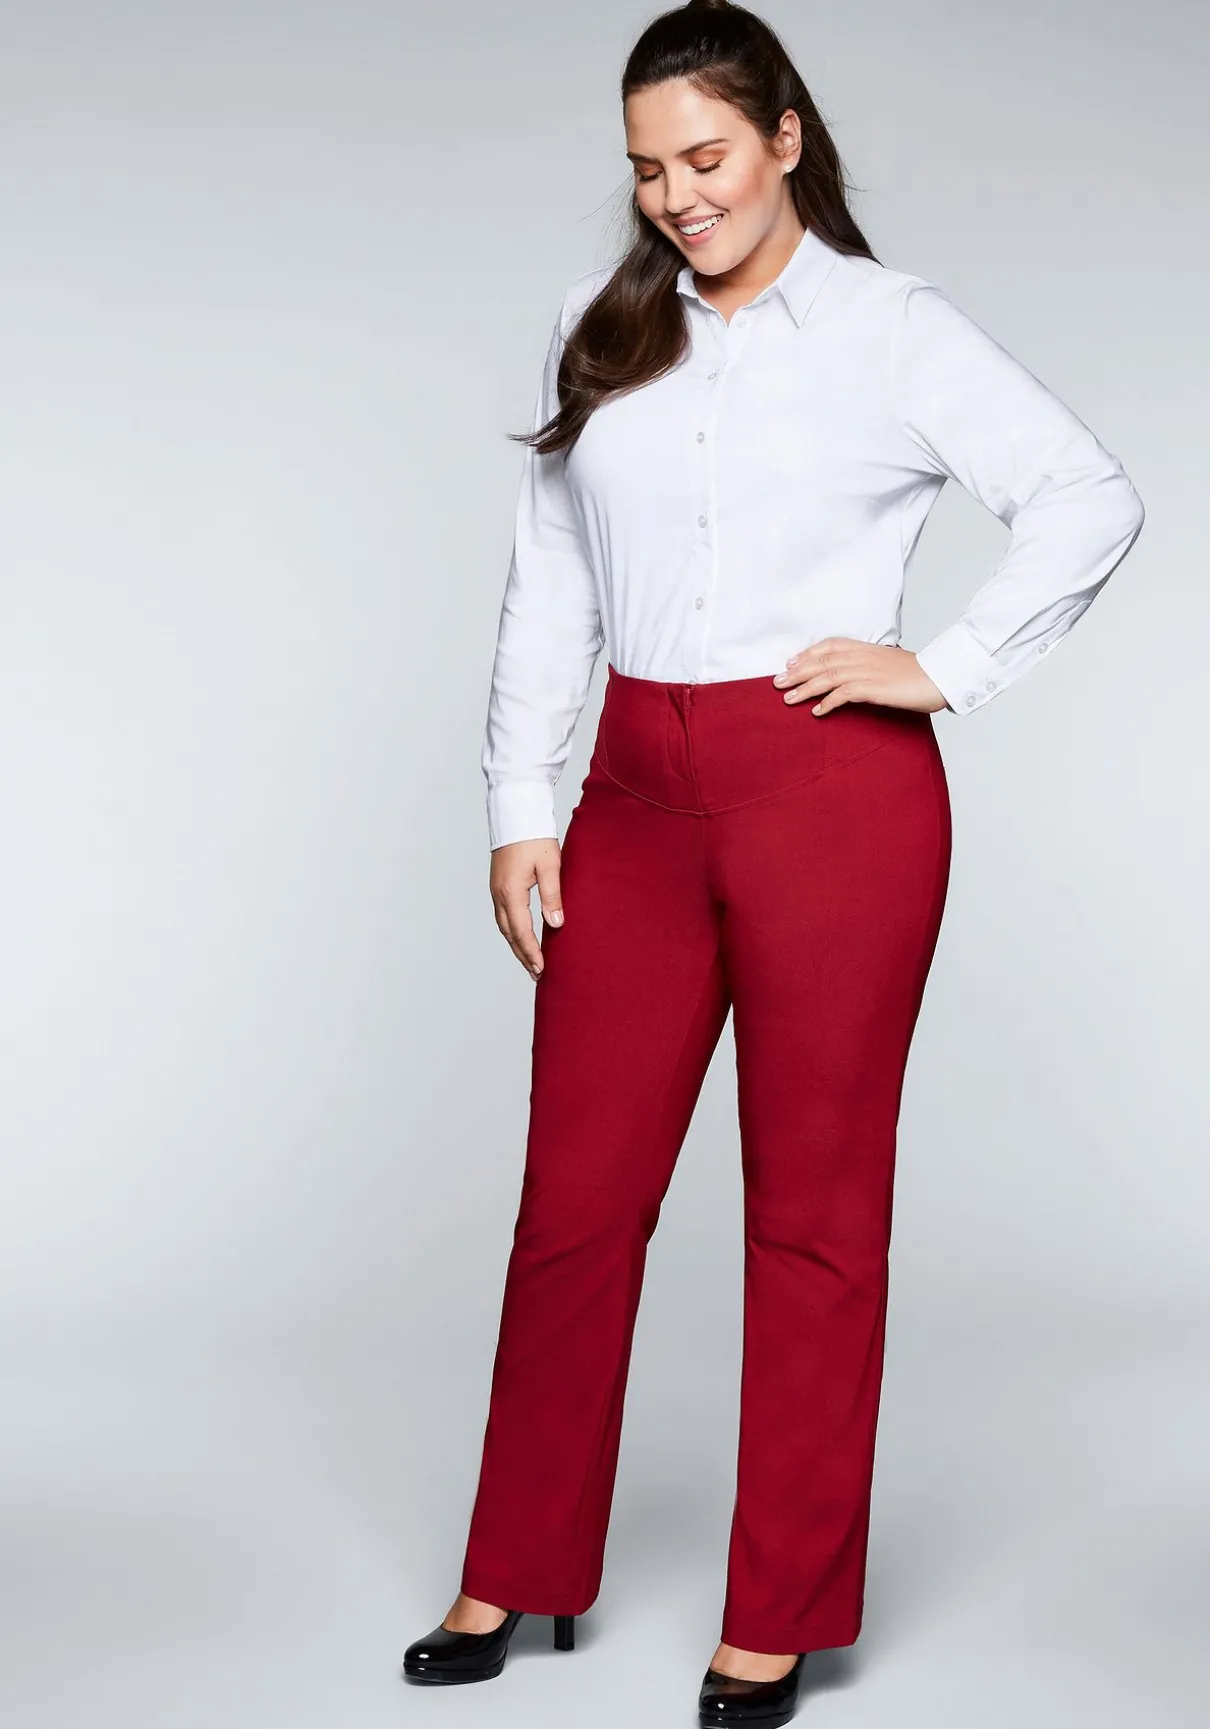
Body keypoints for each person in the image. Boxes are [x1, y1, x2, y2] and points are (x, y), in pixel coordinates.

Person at [402, 2, 1145, 1722]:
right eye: (647, 168)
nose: (677, 195)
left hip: (832, 795)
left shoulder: (893, 330)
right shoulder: (600, 331)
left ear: (784, 139)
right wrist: (520, 802)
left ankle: (780, 1607)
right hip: (630, 796)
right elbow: (553, 576)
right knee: (574, 1203)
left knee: (813, 1213)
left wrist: (941, 667)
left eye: (707, 156)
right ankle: (515, 1563)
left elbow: (1085, 496)